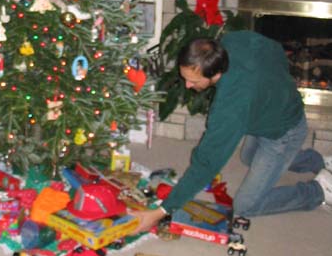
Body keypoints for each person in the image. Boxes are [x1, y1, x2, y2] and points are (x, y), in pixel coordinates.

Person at [131, 31, 332, 233]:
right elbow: (275, 48)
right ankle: (318, 162)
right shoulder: (231, 41)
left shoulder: (230, 107)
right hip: (266, 112)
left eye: (193, 80)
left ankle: (320, 191)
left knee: (246, 206)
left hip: (284, 131)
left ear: (214, 73)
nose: (188, 85)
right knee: (248, 157)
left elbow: (207, 163)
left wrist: (161, 212)